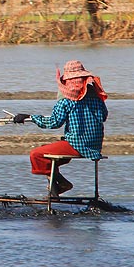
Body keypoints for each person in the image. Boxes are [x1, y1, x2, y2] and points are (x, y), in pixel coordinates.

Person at [13, 60, 108, 196]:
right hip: (94, 145)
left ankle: (61, 185)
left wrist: (30, 117)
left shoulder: (66, 101)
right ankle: (57, 187)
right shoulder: (97, 99)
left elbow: (54, 122)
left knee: (37, 154)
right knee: (50, 154)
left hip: (76, 145)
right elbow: (103, 116)